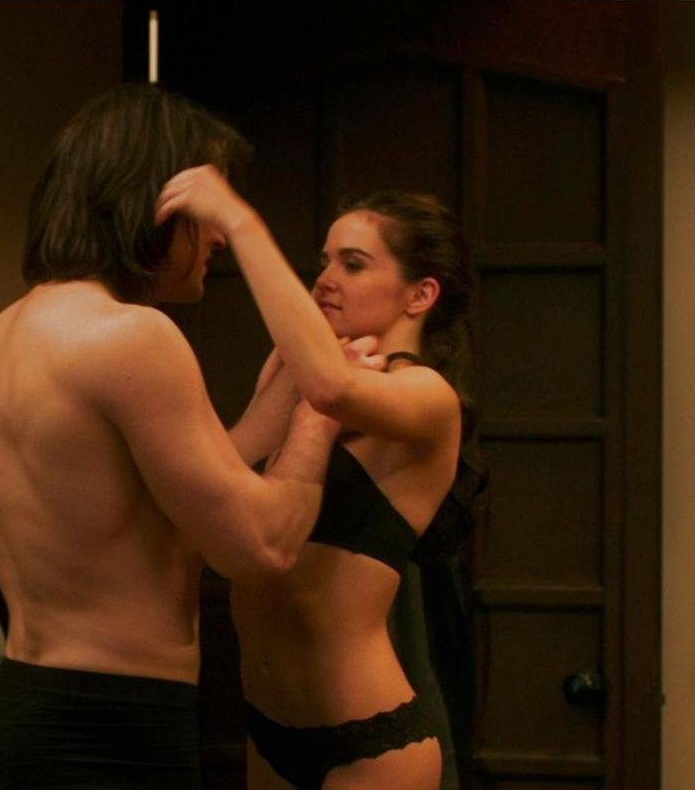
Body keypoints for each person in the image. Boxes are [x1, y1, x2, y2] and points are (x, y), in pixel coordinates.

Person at [0, 84, 370, 789]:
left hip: (28, 708)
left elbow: (166, 508)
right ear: (150, 204)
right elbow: (260, 545)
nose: (216, 237)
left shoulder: (0, 337)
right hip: (109, 732)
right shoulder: (135, 337)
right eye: (207, 212)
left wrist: (284, 395)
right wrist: (317, 421)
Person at [157, 176, 478, 790]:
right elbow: (220, 480)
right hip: (269, 727)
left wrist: (240, 222)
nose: (326, 278)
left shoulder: (426, 396)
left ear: (420, 295)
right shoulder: (293, 373)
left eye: (352, 264)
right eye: (324, 261)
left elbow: (334, 390)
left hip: (367, 740)